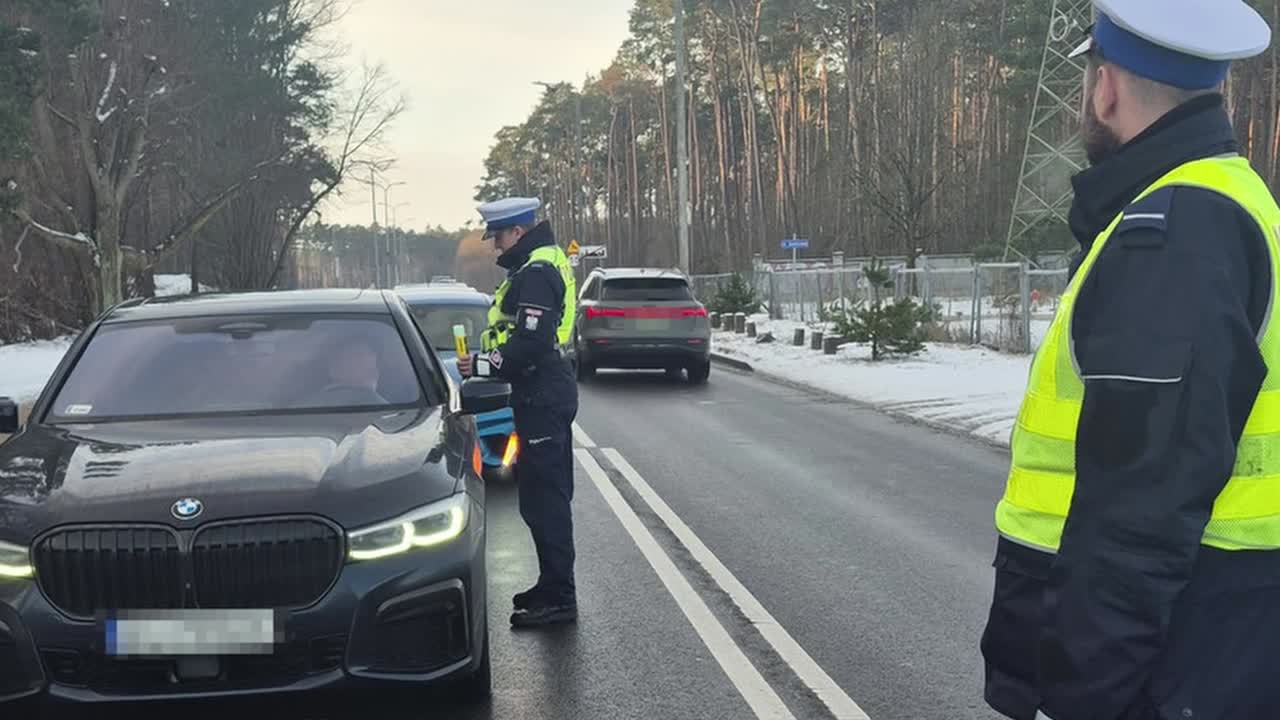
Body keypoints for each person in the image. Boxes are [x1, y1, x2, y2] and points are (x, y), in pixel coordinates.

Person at [980, 2, 1280, 719]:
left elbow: (1139, 509)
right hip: (1216, 646)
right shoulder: (1226, 202)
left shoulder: (1173, 233)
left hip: (1172, 666)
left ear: (1105, 88)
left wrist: (1083, 697)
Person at [457, 197, 579, 628]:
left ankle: (560, 597)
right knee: (539, 497)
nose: (496, 246)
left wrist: (484, 365)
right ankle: (551, 584)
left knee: (546, 500)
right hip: (540, 390)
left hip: (543, 391)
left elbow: (532, 342)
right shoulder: (537, 265)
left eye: (499, 237)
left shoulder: (538, 272)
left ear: (518, 232)